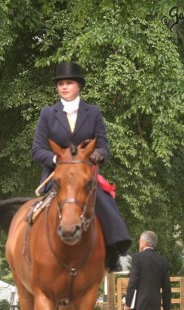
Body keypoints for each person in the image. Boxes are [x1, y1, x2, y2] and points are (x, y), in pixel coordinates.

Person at [32, 61, 131, 271]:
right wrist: (57, 159)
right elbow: (37, 149)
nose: (64, 87)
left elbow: (104, 145)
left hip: (85, 176)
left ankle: (113, 253)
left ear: (79, 86)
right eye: (60, 84)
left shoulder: (93, 112)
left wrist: (99, 153)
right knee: (32, 214)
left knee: (106, 203)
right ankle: (30, 251)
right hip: (56, 176)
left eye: (68, 83)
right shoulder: (47, 114)